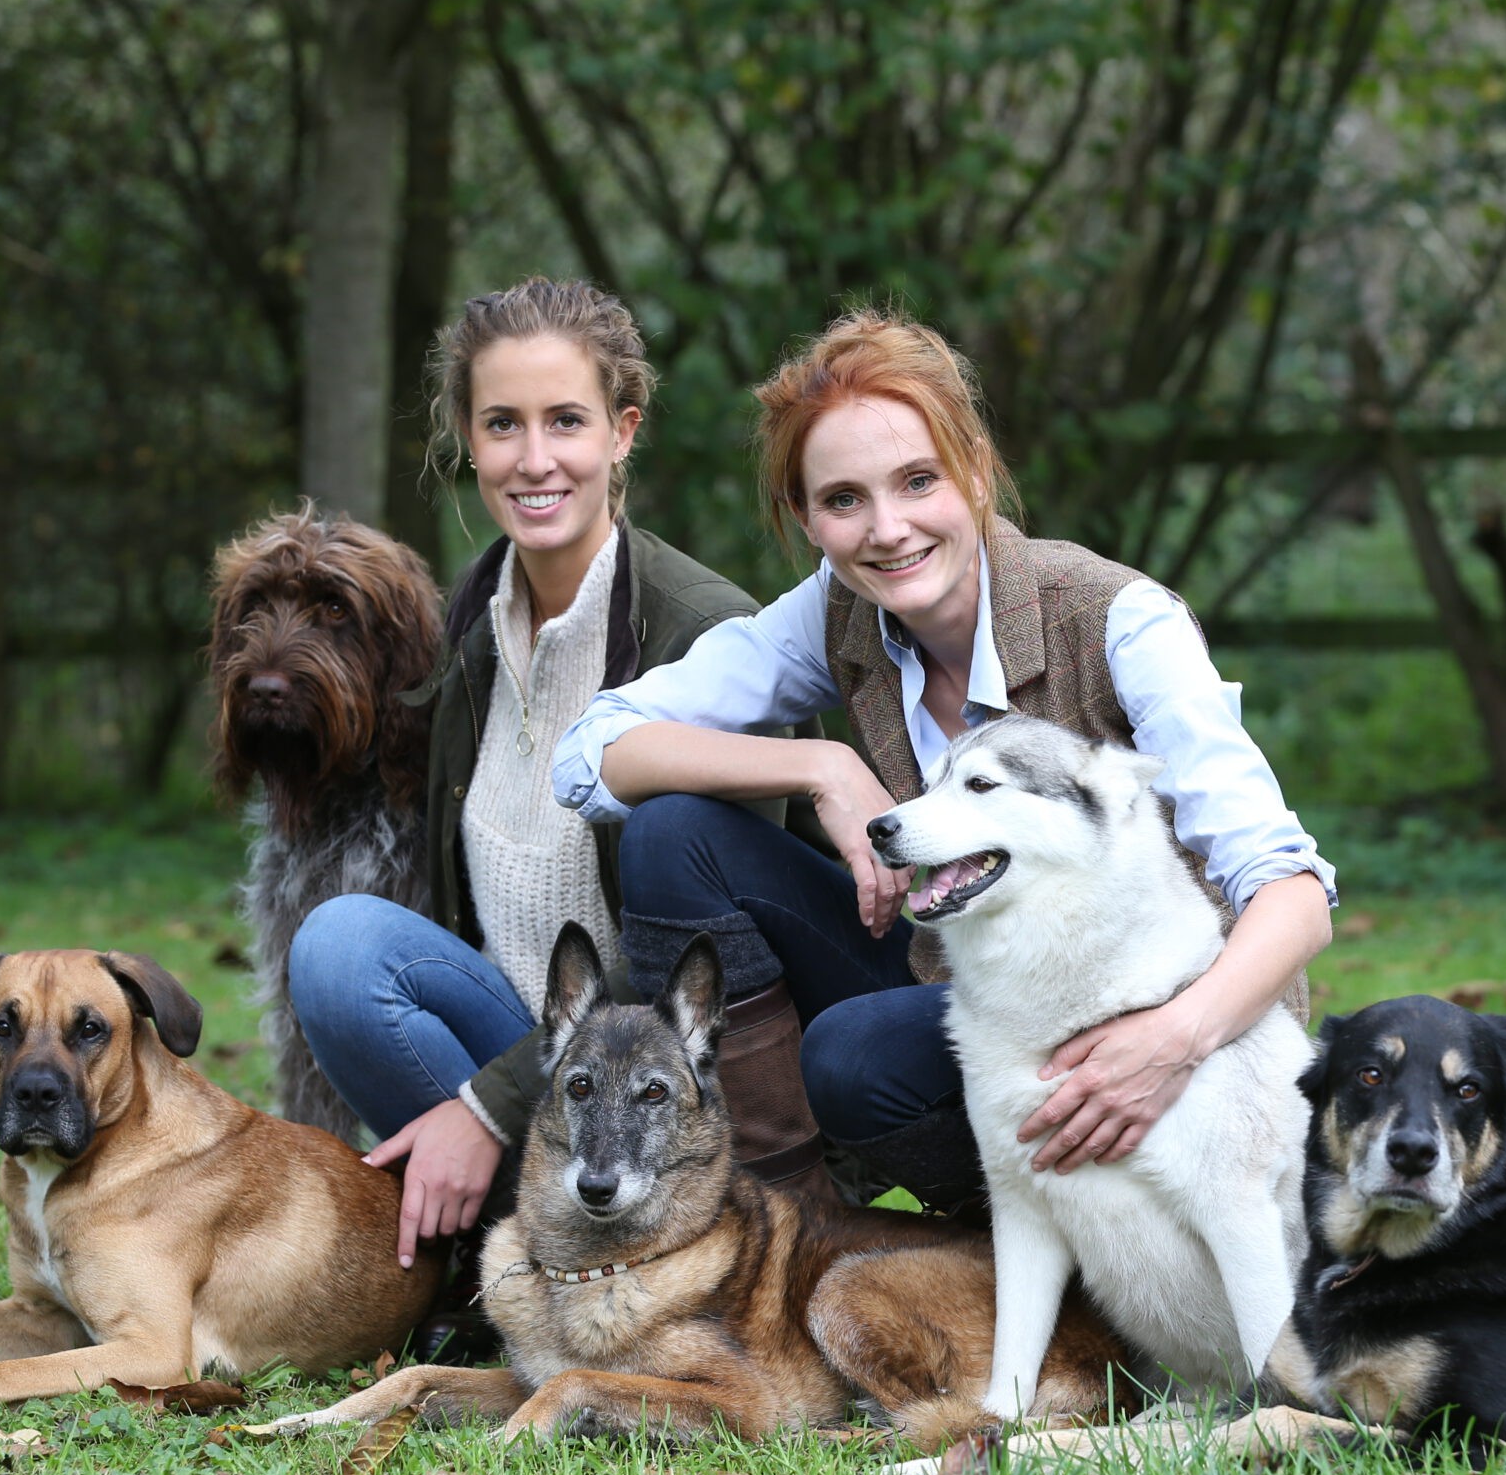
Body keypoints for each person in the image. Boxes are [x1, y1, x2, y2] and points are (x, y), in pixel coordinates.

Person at [549, 310, 1335, 1211]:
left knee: (857, 1056)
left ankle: (1071, 1262)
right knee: (674, 834)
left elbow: (1293, 893)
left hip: (1165, 1033)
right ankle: (788, 1230)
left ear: (974, 469)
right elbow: (590, 753)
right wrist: (823, 771)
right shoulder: (839, 613)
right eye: (843, 499)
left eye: (918, 480)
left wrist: (1172, 1037)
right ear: (807, 517)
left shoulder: (1117, 620)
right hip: (976, 990)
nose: (888, 529)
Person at [286, 277, 821, 1277]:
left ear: (622, 432)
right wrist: (482, 1093)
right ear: (466, 438)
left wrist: (488, 1105)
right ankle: (510, 1248)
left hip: (659, 1072)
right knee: (338, 948)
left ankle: (563, 1246)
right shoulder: (474, 623)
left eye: (565, 421)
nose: (534, 460)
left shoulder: (699, 634)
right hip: (523, 1034)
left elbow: (702, 954)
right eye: (502, 424)